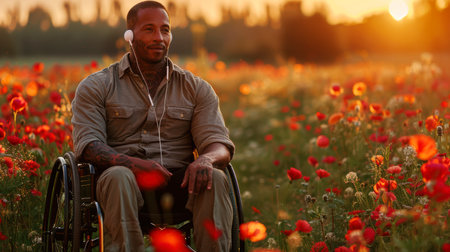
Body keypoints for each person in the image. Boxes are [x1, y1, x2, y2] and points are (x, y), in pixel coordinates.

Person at [71, 1, 235, 251]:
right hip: (121, 184)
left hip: (178, 182)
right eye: (149, 29)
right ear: (130, 35)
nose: (159, 37)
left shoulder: (196, 88)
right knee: (119, 176)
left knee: (216, 177)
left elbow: (219, 143)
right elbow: (89, 146)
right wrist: (136, 165)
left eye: (165, 30)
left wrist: (206, 160)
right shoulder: (97, 86)